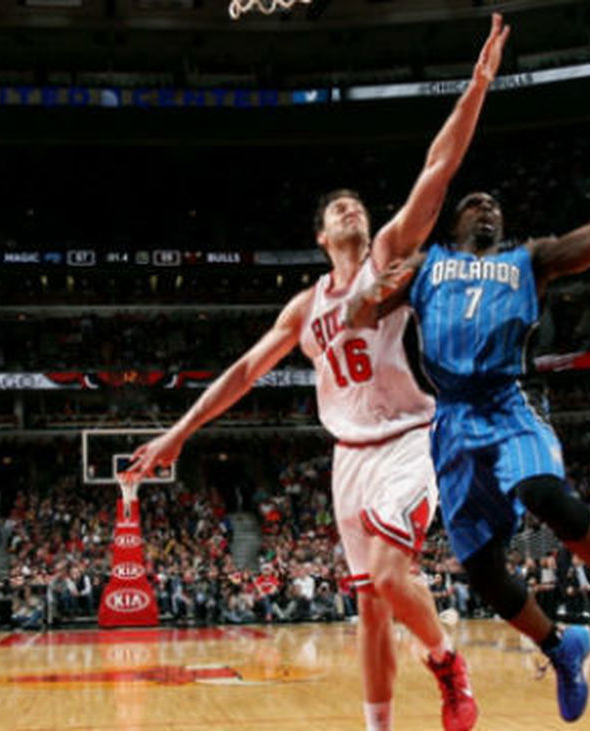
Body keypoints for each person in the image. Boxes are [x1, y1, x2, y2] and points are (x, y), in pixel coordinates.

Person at [122, 15, 511, 731]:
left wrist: (478, 82)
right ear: (319, 236)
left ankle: (448, 662)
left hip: (408, 439)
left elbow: (439, 167)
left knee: (394, 578)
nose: (351, 207)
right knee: (367, 606)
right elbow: (242, 371)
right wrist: (178, 432)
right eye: (337, 209)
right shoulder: (304, 309)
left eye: (355, 203)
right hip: (347, 460)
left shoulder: (387, 255)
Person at [347, 173, 590, 721]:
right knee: (482, 569)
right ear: (455, 222)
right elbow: (358, 317)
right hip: (452, 422)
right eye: (475, 202)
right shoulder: (425, 265)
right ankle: (561, 648)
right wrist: (366, 293)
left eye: (494, 204)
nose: (486, 208)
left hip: (506, 406)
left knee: (541, 490)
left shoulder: (529, 261)